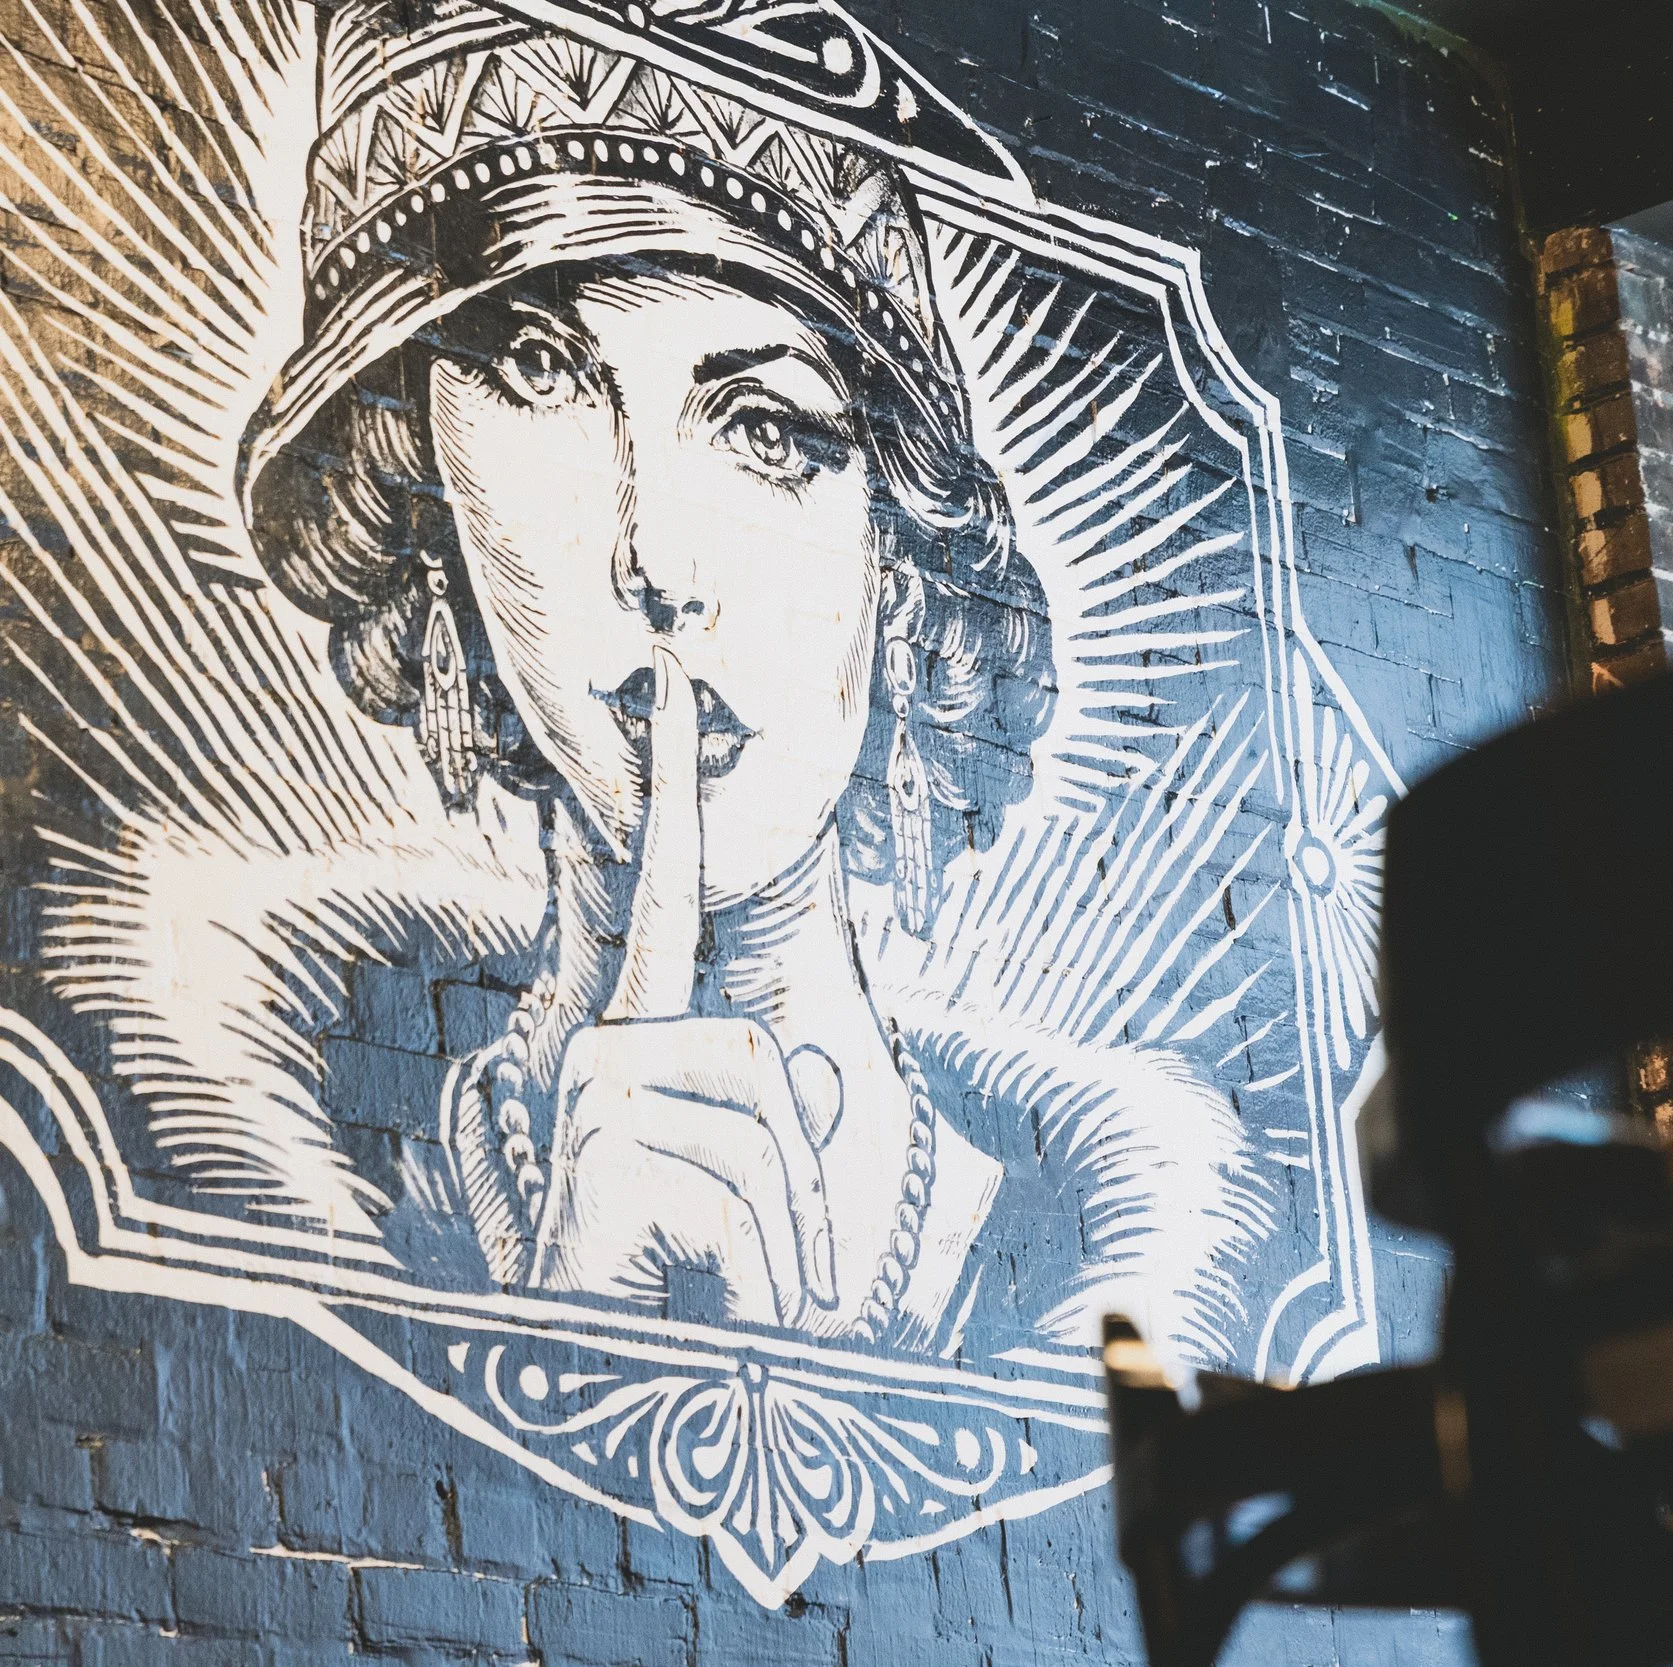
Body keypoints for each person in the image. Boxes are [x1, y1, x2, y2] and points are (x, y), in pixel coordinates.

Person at [234, 0, 1266, 1364]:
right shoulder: (308, 1164)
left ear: (900, 566)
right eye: (541, 373)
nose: (655, 561)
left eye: (768, 431)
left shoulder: (1090, 1265)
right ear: (422, 489)